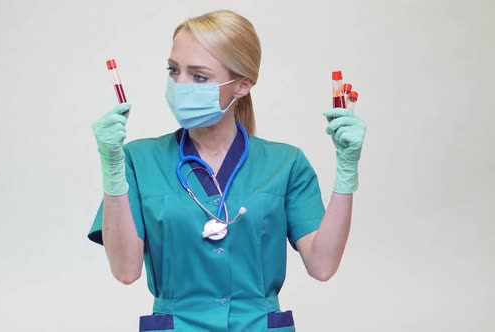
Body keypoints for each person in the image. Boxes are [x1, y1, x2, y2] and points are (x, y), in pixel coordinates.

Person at [88, 9, 366, 332]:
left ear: (243, 84)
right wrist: (111, 167)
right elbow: (125, 270)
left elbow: (323, 265)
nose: (181, 85)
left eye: (199, 77)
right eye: (174, 71)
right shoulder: (138, 161)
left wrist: (347, 170)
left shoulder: (285, 164)